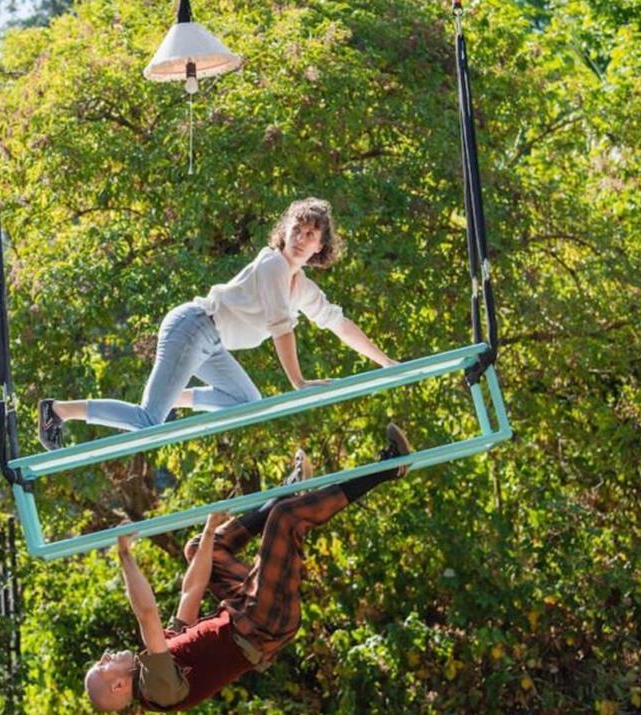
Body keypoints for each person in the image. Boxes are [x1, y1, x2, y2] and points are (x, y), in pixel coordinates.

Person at [83, 423, 413, 711]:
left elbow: (191, 591)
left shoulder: (156, 663)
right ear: (118, 687)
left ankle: (286, 493)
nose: (107, 655)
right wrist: (125, 556)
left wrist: (211, 531)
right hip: (262, 626)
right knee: (287, 519)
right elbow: (146, 614)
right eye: (104, 665)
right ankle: (388, 468)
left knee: (199, 548)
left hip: (242, 610)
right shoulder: (156, 689)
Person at [38, 197, 398, 451]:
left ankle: (174, 395)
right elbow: (281, 329)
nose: (301, 239)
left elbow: (339, 323)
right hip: (193, 327)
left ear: (320, 246)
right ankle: (58, 410)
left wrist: (386, 363)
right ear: (284, 232)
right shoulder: (273, 265)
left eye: (310, 235)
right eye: (297, 230)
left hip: (211, 342)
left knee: (247, 402)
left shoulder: (300, 286)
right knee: (149, 422)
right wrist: (299, 382)